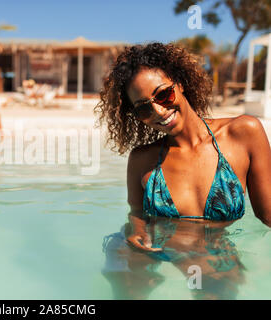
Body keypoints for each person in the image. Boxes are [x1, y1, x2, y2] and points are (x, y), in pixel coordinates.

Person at [95, 42, 271, 298]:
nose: (159, 111)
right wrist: (137, 233)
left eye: (163, 95)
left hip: (213, 255)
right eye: (144, 108)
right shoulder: (142, 160)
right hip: (155, 247)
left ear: (181, 83)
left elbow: (268, 216)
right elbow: (136, 214)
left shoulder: (243, 133)